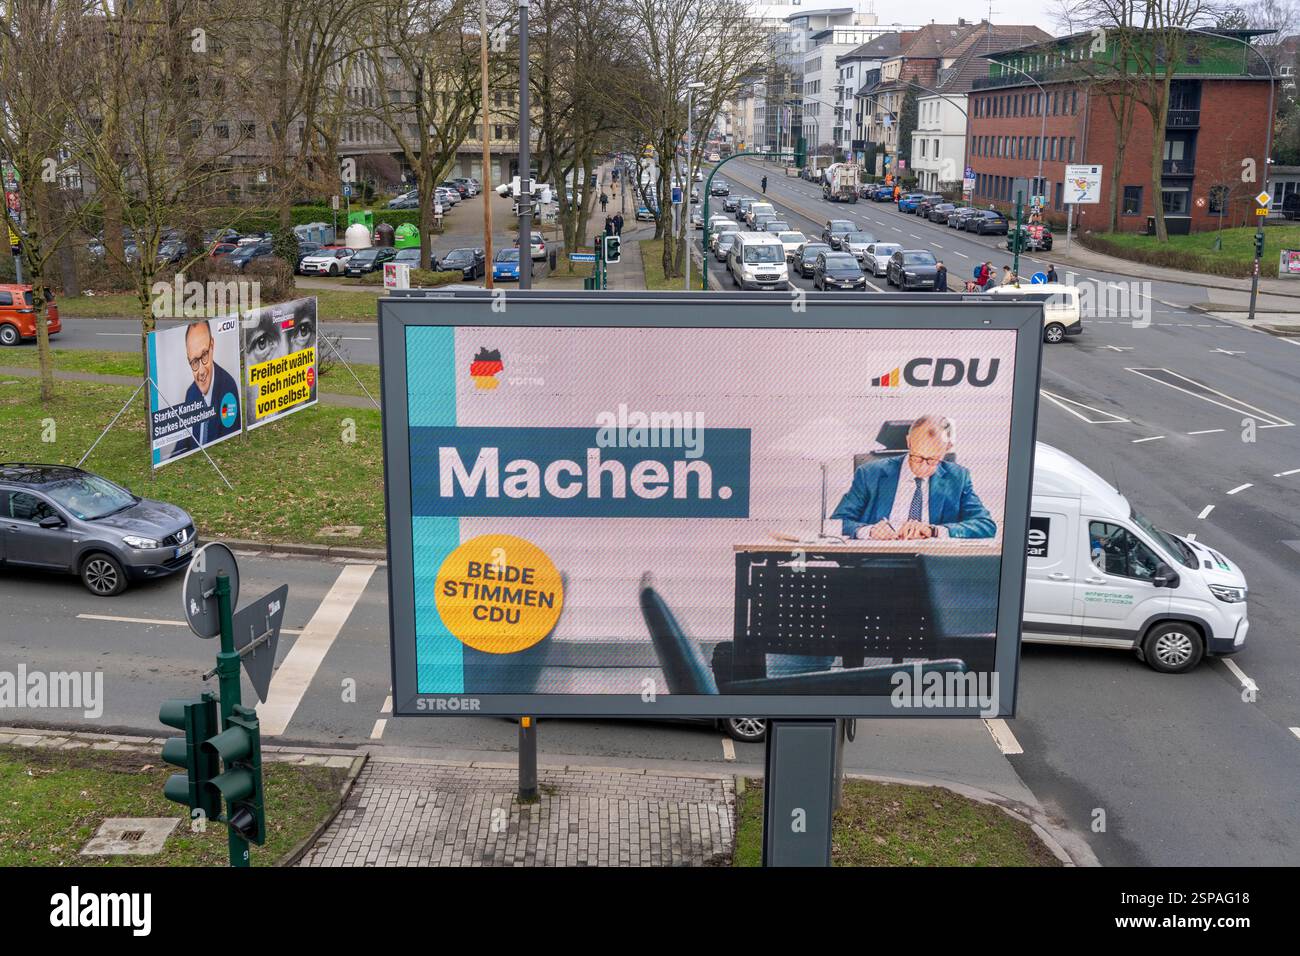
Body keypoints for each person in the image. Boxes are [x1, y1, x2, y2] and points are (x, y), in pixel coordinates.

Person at [830, 415, 996, 540]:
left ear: (947, 448)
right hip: (879, 562)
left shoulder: (957, 477)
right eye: (917, 457)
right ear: (909, 442)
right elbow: (837, 523)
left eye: (932, 460)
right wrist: (870, 531)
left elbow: (986, 525)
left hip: (932, 565)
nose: (922, 467)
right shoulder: (870, 473)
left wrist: (934, 531)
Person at [179, 319, 241, 451]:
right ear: (188, 360)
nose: (201, 371)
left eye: (205, 355)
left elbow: (228, 443)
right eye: (194, 362)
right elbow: (183, 442)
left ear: (212, 345)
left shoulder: (228, 388)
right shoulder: (191, 393)